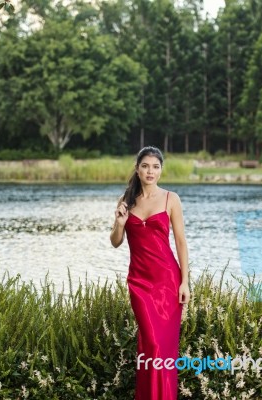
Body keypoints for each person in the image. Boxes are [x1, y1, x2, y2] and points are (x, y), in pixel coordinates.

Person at [110, 146, 190, 400]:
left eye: (155, 166)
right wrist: (119, 223)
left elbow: (180, 242)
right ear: (137, 168)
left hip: (168, 281)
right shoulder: (126, 201)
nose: (150, 171)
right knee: (151, 345)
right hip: (140, 284)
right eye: (145, 166)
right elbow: (115, 241)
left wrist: (185, 282)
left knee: (162, 350)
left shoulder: (170, 199)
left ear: (161, 170)